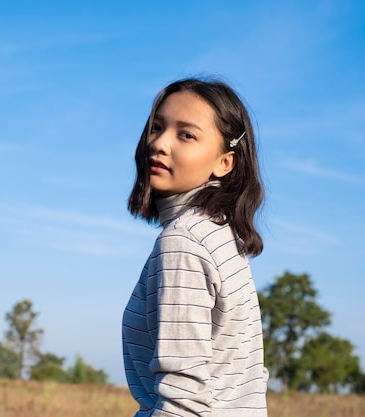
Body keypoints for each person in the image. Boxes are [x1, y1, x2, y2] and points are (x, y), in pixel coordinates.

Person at [122, 77, 268, 416]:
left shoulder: (184, 242)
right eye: (157, 128)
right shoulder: (220, 236)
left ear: (224, 162)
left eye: (185, 134)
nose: (159, 143)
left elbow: (182, 402)